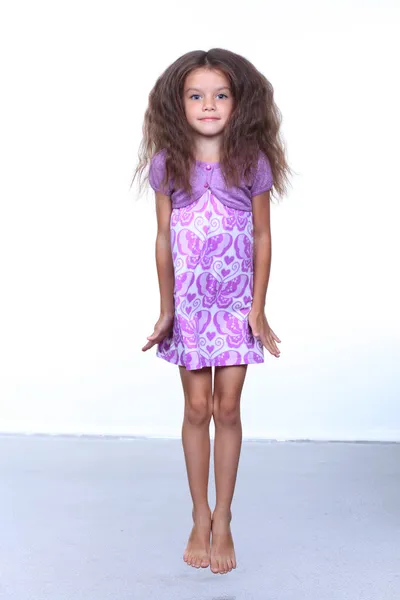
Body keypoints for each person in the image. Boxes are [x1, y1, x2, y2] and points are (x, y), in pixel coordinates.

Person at [132, 48, 292, 576]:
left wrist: (259, 310)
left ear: (239, 103)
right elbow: (162, 238)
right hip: (193, 310)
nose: (208, 105)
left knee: (228, 408)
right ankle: (198, 514)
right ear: (177, 105)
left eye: (220, 95)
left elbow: (264, 238)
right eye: (196, 95)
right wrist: (165, 310)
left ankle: (224, 517)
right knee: (196, 409)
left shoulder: (252, 162)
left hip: (233, 309)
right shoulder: (167, 163)